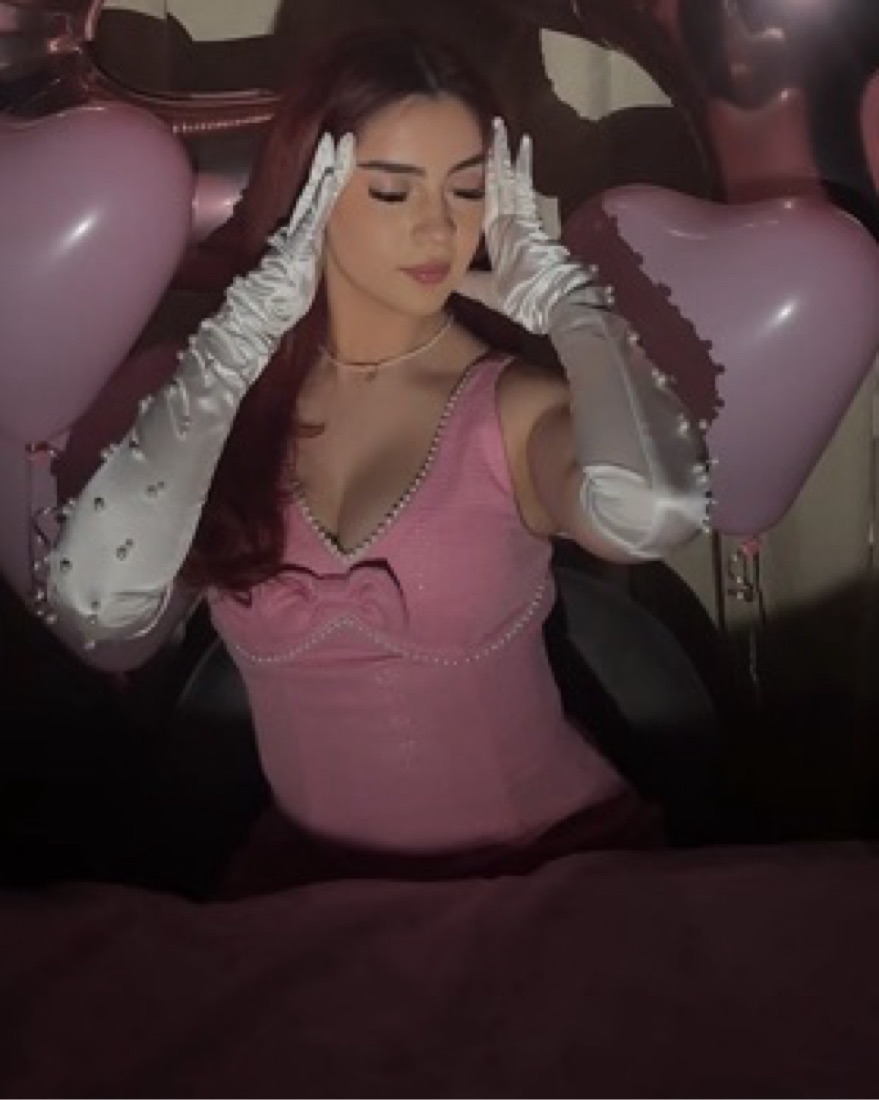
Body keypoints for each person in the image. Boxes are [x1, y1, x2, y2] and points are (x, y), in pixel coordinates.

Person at [43, 28, 710, 891]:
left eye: (466, 188)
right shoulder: (216, 405)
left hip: (537, 882)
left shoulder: (512, 406)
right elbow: (98, 613)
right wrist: (237, 342)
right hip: (308, 897)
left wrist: (568, 306)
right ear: (309, 196)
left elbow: (653, 512)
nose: (439, 226)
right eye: (393, 191)